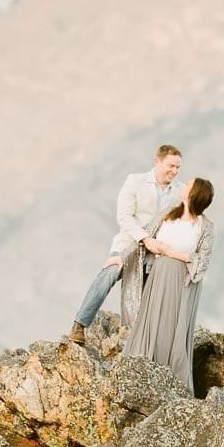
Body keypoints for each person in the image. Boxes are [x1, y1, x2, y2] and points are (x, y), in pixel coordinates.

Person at [69, 145, 183, 344]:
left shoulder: (179, 191)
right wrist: (144, 239)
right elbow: (124, 217)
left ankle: (148, 341)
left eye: (177, 168)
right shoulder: (135, 181)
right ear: (157, 162)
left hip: (156, 252)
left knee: (149, 296)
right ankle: (80, 324)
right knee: (109, 274)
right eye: (170, 166)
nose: (174, 171)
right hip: (128, 243)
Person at [122, 178, 215, 393]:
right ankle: (141, 366)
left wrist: (171, 253)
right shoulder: (167, 213)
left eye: (189, 185)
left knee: (172, 324)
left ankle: (170, 376)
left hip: (182, 280)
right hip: (159, 274)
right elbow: (144, 235)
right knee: (152, 319)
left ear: (194, 194)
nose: (183, 186)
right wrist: (120, 257)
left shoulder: (205, 227)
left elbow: (202, 261)